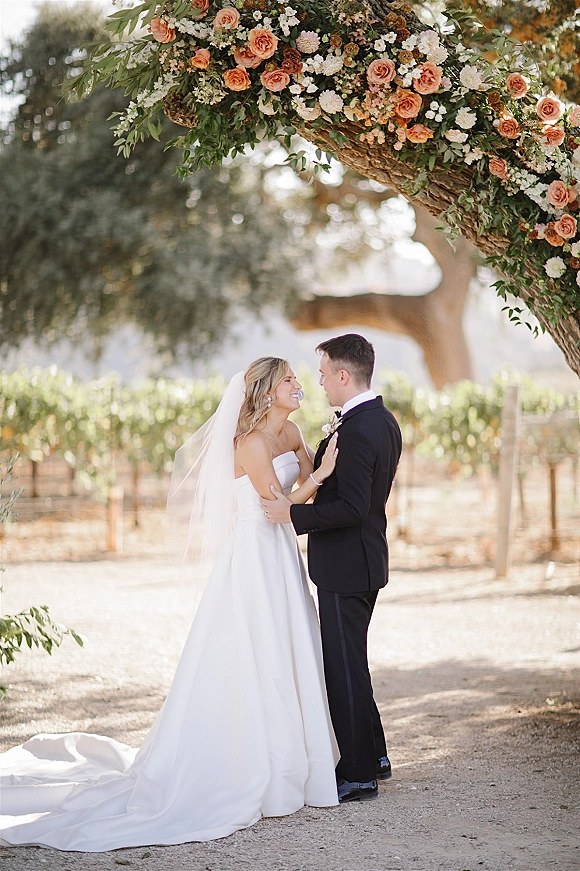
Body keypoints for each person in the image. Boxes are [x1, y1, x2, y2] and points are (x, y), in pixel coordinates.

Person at [0, 358, 340, 852]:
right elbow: (275, 508)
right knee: (256, 649)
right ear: (267, 391)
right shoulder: (249, 443)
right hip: (253, 553)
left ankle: (301, 760)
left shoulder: (291, 432)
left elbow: (304, 490)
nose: (298, 384)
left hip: (282, 556)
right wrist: (321, 473)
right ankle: (257, 762)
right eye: (289, 379)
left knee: (292, 645)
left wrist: (319, 468)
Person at [261, 334, 402, 803]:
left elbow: (355, 507)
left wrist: (293, 517)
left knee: (342, 669)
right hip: (360, 561)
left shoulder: (360, 428)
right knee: (351, 664)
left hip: (347, 565)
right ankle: (375, 754)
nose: (318, 382)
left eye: (322, 374)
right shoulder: (380, 420)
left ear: (344, 375)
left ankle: (358, 772)